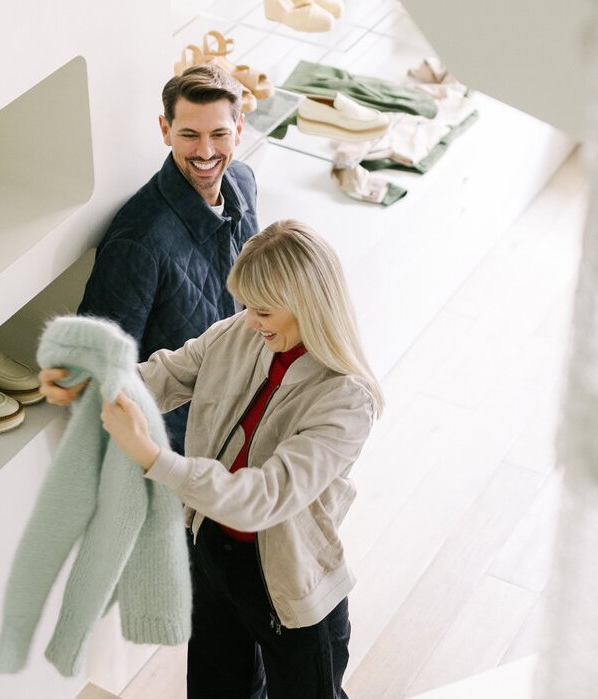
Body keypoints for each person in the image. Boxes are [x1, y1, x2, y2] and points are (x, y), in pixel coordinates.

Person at [39, 220, 382, 699]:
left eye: (263, 310)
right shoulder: (240, 334)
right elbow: (167, 374)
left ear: (309, 305)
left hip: (290, 583)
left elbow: (263, 498)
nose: (251, 320)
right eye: (246, 306)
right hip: (213, 554)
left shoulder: (347, 400)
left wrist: (153, 456)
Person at [78, 63, 259, 456]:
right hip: (181, 444)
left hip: (244, 410)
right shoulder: (139, 241)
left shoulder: (243, 181)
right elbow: (102, 371)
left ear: (239, 130)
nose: (206, 152)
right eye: (189, 135)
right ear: (165, 130)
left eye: (220, 134)